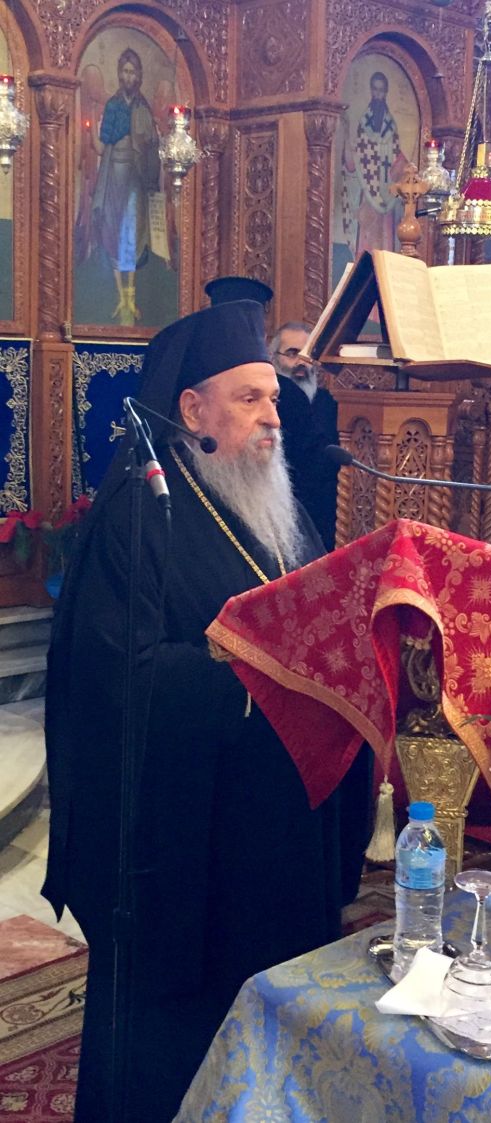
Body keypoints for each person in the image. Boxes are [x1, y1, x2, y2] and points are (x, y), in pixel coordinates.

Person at [43, 300, 369, 1123]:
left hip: (276, 826)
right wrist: (257, 680)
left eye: (273, 397)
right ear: (193, 411)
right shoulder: (140, 509)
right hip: (185, 842)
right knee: (176, 1053)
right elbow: (121, 676)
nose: (273, 416)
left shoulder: (280, 506)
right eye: (250, 398)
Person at [204, 278, 340, 550]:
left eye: (307, 355)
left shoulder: (326, 402)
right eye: (250, 400)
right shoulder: (208, 387)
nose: (272, 419)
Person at [86, 48, 161, 325]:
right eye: (125, 71)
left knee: (134, 232)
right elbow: (102, 145)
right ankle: (120, 296)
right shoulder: (113, 105)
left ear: (138, 75)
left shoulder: (143, 107)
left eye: (133, 72)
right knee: (113, 230)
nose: (129, 76)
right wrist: (91, 131)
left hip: (136, 178)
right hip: (114, 175)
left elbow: (151, 145)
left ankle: (132, 296)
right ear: (120, 74)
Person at [271, 321, 340, 550]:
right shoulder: (265, 407)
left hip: (324, 518)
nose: (301, 362)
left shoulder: (329, 403)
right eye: (292, 353)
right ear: (273, 358)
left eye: (307, 355)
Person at [342, 70, 407, 259]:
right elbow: (357, 157)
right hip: (368, 195)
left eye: (381, 90)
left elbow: (397, 155)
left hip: (387, 197)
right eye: (375, 89)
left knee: (386, 245)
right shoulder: (364, 123)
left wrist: (406, 167)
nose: (378, 94)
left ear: (386, 92)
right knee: (366, 243)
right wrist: (347, 143)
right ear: (371, 91)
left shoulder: (390, 125)